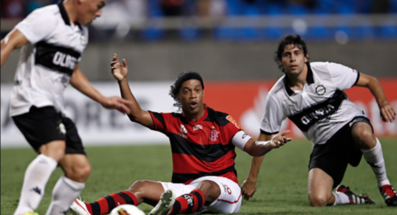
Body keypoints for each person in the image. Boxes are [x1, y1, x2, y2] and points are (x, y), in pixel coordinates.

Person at [69, 54, 291, 215]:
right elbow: (136, 115)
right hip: (189, 192)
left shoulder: (222, 121)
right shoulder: (173, 122)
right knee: (140, 187)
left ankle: (168, 212)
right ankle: (88, 210)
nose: (193, 95)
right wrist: (122, 80)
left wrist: (270, 143)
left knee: (206, 187)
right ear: (178, 97)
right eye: (186, 91)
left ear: (203, 93)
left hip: (225, 192)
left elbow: (252, 146)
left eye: (197, 90)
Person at [0, 0, 132, 215]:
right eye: (99, 5)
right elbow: (7, 43)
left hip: (53, 106)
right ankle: (24, 210)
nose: (100, 13)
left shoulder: (81, 32)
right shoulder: (46, 18)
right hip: (30, 100)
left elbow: (72, 71)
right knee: (55, 148)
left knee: (79, 170)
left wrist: (102, 99)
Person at [241, 34, 397, 207]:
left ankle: (385, 185)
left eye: (297, 53)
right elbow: (264, 138)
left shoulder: (326, 71)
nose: (293, 58)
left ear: (306, 56)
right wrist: (251, 179)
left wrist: (383, 103)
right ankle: (346, 196)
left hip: (350, 124)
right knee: (318, 200)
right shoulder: (277, 97)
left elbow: (370, 80)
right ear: (280, 61)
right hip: (324, 143)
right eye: (287, 55)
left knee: (363, 132)